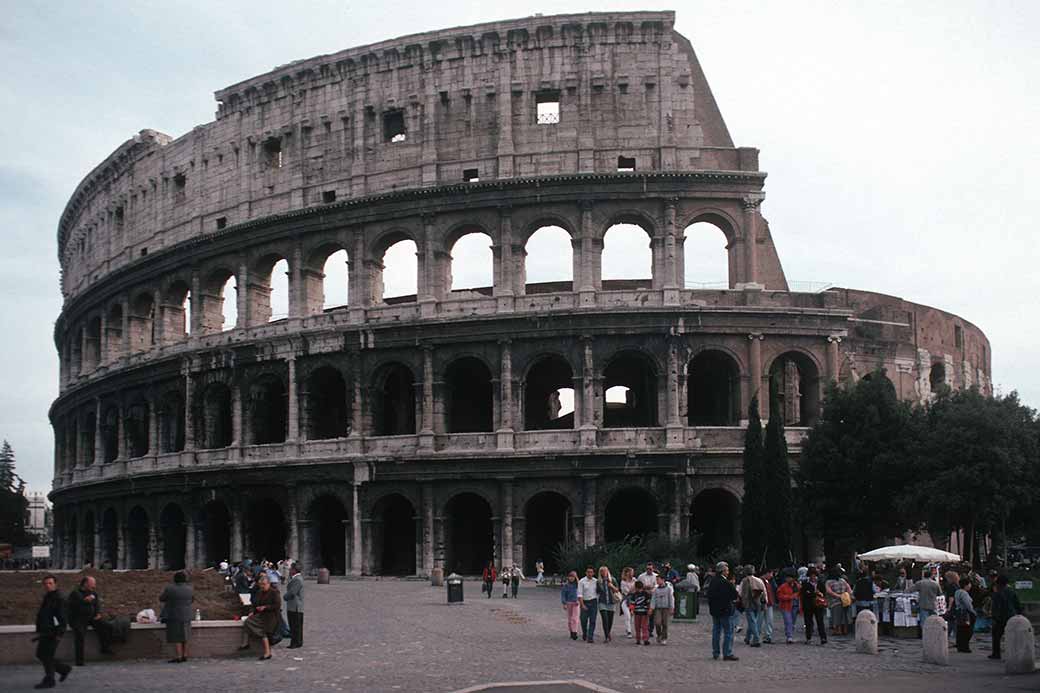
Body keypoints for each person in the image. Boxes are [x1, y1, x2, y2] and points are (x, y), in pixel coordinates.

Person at [67, 575, 114, 666]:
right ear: (85, 584)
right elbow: (74, 606)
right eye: (92, 584)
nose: (94, 586)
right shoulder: (75, 593)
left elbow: (97, 605)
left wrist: (98, 613)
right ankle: (79, 660)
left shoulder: (93, 593)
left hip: (91, 617)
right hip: (78, 619)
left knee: (106, 626)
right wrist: (85, 601)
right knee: (80, 634)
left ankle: (105, 647)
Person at [34, 575, 71, 689]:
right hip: (46, 631)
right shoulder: (48, 596)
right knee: (41, 654)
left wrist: (59, 634)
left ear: (55, 584)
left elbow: (63, 618)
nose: (47, 585)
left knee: (47, 656)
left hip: (54, 632)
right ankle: (63, 669)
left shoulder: (59, 598)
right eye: (45, 583)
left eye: (50, 583)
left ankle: (50, 680)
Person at [239, 573, 280, 660]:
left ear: (268, 584)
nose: (262, 586)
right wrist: (253, 611)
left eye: (264, 584)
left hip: (271, 617)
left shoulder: (274, 592)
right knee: (248, 621)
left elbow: (277, 605)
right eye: (261, 585)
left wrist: (265, 607)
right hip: (261, 615)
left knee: (263, 631)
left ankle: (267, 652)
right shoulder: (259, 592)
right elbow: (255, 604)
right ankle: (245, 643)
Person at [705, 561, 739, 661]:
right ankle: (727, 653)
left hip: (715, 610)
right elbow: (734, 595)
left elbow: (709, 595)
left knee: (716, 632)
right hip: (726, 610)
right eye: (727, 570)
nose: (728, 572)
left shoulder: (713, 581)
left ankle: (716, 652)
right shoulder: (726, 582)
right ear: (723, 571)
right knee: (728, 632)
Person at [159, 571, 194, 663]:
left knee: (176, 636)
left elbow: (162, 598)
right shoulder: (190, 589)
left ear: (175, 579)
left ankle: (178, 656)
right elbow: (192, 600)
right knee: (185, 636)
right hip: (187, 615)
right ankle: (185, 655)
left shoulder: (170, 588)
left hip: (174, 615)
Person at [989, 575, 1022, 660]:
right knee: (1012, 636)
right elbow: (1017, 604)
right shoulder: (1012, 592)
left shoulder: (997, 593)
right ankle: (1014, 653)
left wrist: (994, 617)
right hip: (1011, 616)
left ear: (998, 584)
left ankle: (996, 653)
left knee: (996, 636)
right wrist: (1019, 614)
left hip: (1000, 618)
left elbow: (995, 607)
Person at [738, 565, 765, 646]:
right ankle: (747, 638)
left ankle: (756, 639)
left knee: (752, 621)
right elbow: (764, 592)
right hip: (757, 602)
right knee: (753, 621)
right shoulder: (759, 580)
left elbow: (740, 592)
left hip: (748, 603)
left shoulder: (744, 581)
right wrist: (764, 602)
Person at [801, 568, 827, 645]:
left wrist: (819, 594)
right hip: (808, 605)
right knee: (808, 622)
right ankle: (808, 638)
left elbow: (824, 593)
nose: (813, 577)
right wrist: (814, 593)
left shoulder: (820, 583)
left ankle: (823, 638)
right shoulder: (805, 584)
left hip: (818, 605)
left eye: (814, 575)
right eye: (811, 575)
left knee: (820, 622)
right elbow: (804, 594)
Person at [596, 565, 621, 643]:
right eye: (602, 571)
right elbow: (597, 591)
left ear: (608, 571)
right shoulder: (599, 581)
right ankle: (606, 636)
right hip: (602, 602)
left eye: (605, 571)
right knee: (605, 619)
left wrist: (612, 586)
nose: (603, 572)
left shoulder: (612, 579)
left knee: (610, 620)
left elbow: (617, 590)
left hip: (611, 602)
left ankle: (608, 632)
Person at [825, 568, 852, 636]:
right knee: (844, 616)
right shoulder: (843, 580)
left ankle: (837, 630)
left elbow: (829, 591)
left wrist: (838, 596)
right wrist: (847, 595)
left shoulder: (828, 582)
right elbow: (849, 589)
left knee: (836, 616)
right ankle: (845, 630)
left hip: (835, 601)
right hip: (845, 601)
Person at [283, 562, 304, 649]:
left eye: (291, 569)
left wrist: (285, 597)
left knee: (294, 625)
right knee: (297, 625)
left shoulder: (297, 579)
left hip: (295, 606)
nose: (289, 570)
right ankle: (298, 641)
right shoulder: (296, 578)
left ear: (294, 570)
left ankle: (294, 643)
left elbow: (292, 593)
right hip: (295, 606)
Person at [953, 577, 976, 653]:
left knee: (960, 630)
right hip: (965, 613)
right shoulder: (964, 593)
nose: (970, 586)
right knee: (967, 630)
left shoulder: (957, 592)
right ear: (966, 585)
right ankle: (965, 647)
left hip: (959, 613)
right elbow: (967, 604)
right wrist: (973, 612)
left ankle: (960, 646)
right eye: (969, 584)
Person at [625, 581, 652, 646]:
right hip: (639, 612)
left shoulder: (645, 594)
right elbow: (632, 603)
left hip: (643, 612)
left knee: (642, 626)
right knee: (640, 626)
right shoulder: (636, 594)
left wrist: (649, 610)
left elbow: (648, 603)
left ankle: (643, 639)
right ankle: (640, 639)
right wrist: (632, 610)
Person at [577, 565, 600, 643]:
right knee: (583, 620)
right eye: (588, 572)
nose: (589, 573)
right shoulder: (582, 581)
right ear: (586, 572)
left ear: (593, 573)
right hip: (585, 601)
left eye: (591, 572)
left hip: (593, 602)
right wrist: (582, 604)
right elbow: (579, 594)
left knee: (593, 620)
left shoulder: (596, 581)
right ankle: (585, 632)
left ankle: (590, 636)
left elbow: (599, 591)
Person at [652, 573, 674, 645]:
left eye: (658, 580)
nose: (657, 581)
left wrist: (672, 607)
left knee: (665, 623)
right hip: (658, 608)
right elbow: (653, 599)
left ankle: (664, 637)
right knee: (657, 623)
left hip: (666, 608)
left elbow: (671, 598)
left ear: (662, 580)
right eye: (656, 580)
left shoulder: (669, 589)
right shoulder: (655, 589)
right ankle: (659, 634)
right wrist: (651, 607)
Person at [776, 574, 799, 644]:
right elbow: (779, 596)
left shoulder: (798, 586)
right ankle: (789, 636)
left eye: (789, 577)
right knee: (788, 621)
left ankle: (789, 634)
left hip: (795, 606)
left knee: (792, 622)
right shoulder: (783, 587)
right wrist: (790, 597)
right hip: (786, 606)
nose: (787, 579)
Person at [560, 571, 580, 640]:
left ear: (575, 577)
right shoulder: (566, 586)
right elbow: (563, 595)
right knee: (570, 618)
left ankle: (575, 632)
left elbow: (580, 593)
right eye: (570, 577)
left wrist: (579, 600)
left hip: (576, 603)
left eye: (573, 577)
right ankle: (571, 631)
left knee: (575, 618)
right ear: (568, 577)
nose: (571, 578)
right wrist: (564, 603)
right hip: (569, 603)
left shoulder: (578, 585)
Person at [760, 568, 776, 644]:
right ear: (767, 573)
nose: (771, 576)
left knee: (769, 620)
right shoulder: (761, 581)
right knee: (763, 620)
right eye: (771, 574)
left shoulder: (767, 581)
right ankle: (765, 635)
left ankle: (767, 636)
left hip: (769, 603)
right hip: (763, 603)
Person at [619, 567, 636, 638]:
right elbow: (626, 592)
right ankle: (629, 631)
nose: (632, 573)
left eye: (633, 572)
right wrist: (633, 588)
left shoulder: (634, 579)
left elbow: (637, 589)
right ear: (627, 573)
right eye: (631, 572)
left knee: (631, 616)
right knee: (627, 616)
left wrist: (633, 590)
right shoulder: (623, 582)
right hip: (626, 600)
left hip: (634, 600)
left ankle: (628, 628)